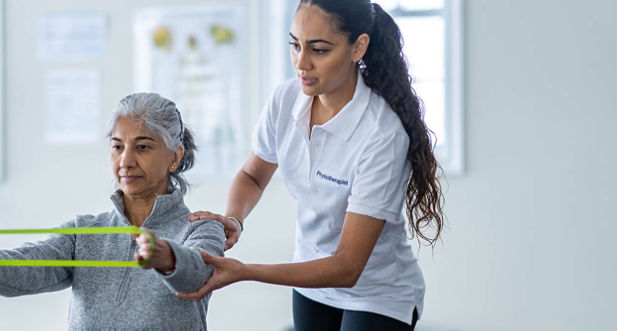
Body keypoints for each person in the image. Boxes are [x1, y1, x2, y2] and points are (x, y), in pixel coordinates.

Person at [180, 1, 446, 330]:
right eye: (295, 45)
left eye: (319, 50)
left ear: (357, 47)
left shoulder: (381, 135)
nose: (301, 63)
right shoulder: (286, 99)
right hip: (312, 280)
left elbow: (348, 266)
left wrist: (245, 271)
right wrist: (233, 218)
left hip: (378, 292)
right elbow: (253, 175)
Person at [0, 93, 225, 330]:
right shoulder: (84, 232)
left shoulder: (201, 228)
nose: (125, 161)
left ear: (174, 156)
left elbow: (197, 275)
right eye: (117, 146)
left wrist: (167, 257)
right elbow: (26, 268)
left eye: (142, 147)